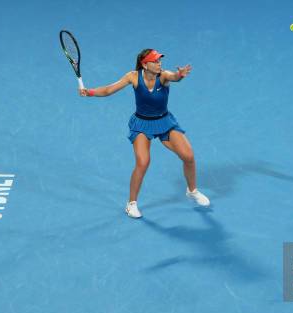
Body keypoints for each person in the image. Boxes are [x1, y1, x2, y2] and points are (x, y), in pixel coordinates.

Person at [79, 49, 210, 218]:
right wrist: (89, 92)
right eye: (155, 61)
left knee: (189, 156)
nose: (159, 64)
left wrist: (180, 75)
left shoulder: (163, 76)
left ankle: (192, 191)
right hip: (142, 124)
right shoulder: (133, 77)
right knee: (143, 162)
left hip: (164, 122)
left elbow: (174, 77)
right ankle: (131, 203)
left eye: (159, 61)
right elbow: (108, 90)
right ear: (144, 64)